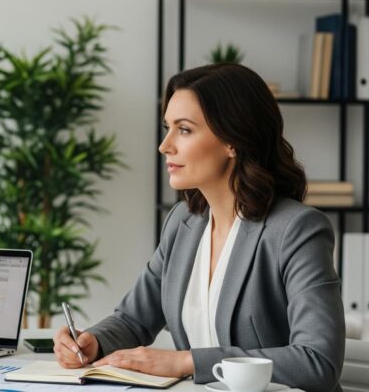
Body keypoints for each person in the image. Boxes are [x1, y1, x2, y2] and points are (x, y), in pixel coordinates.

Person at [53, 63, 345, 392]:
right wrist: (94, 341)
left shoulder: (295, 229)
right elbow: (133, 320)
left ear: (232, 140)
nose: (165, 146)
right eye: (168, 128)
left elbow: (318, 361)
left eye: (185, 129)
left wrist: (185, 361)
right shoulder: (184, 222)